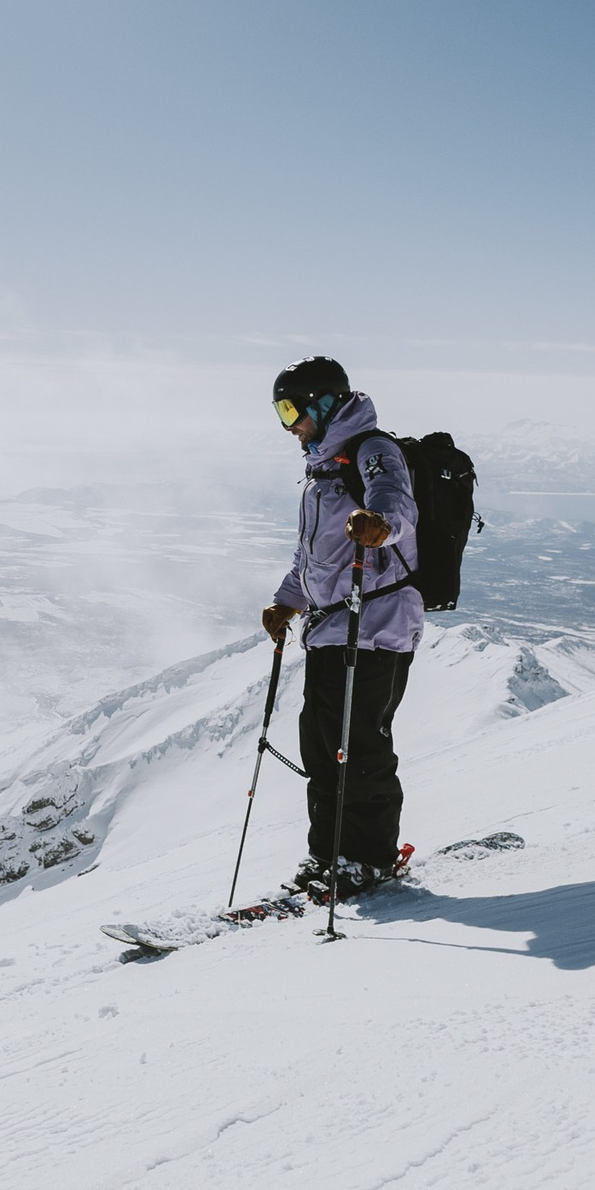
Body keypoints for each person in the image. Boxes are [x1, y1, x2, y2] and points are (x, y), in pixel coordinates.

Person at [259, 356, 421, 899]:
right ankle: (328, 854)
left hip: (374, 627)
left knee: (360, 748)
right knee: (323, 747)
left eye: (292, 410)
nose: (289, 426)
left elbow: (395, 506)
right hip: (331, 628)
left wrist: (381, 526)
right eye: (281, 413)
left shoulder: (373, 452)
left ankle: (369, 858)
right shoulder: (321, 472)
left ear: (324, 403)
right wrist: (288, 602)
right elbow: (315, 558)